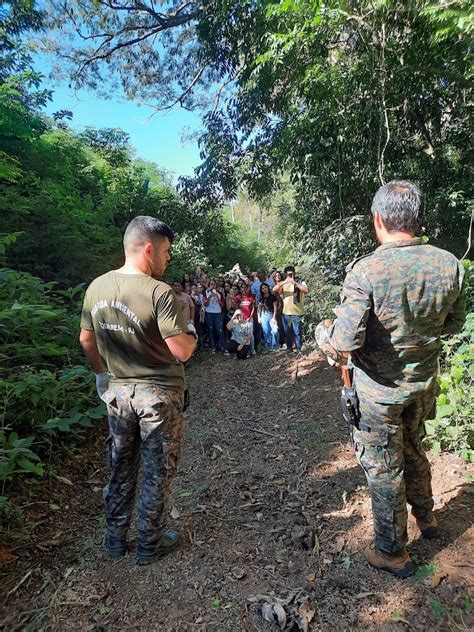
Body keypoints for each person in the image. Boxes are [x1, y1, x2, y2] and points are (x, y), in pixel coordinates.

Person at [315, 180, 465, 578]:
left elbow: (344, 342)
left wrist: (321, 333)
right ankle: (428, 520)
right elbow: (454, 323)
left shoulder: (367, 270)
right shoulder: (448, 264)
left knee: (384, 468)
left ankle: (392, 553)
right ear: (416, 218)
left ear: (378, 219)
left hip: (377, 394)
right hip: (422, 384)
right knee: (415, 449)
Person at [79, 216, 197, 566]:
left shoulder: (96, 288)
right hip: (158, 395)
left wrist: (102, 374)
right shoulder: (159, 292)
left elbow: (86, 340)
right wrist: (189, 328)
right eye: (166, 251)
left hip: (118, 395)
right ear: (149, 249)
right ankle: (149, 542)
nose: (168, 258)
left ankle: (115, 538)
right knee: (157, 468)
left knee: (120, 465)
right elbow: (182, 350)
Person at [273, 266, 309, 353]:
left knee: (297, 332)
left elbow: (306, 290)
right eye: (288, 274)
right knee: (288, 331)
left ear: (294, 273)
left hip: (297, 312)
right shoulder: (284, 283)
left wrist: (295, 283)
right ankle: (289, 348)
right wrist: (285, 282)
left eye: (291, 274)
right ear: (285, 274)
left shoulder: (300, 281)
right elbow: (274, 289)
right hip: (286, 313)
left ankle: (299, 348)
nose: (290, 275)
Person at [203, 278, 226, 353]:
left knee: (220, 330)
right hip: (209, 313)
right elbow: (205, 304)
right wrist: (209, 297)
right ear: (209, 285)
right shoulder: (206, 292)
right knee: (211, 330)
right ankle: (213, 347)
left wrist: (217, 297)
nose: (213, 286)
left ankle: (223, 347)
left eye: (214, 284)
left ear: (216, 285)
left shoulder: (220, 293)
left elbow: (222, 305)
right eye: (211, 284)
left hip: (217, 313)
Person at [258, 282, 279, 350]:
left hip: (271, 314)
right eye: (262, 288)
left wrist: (274, 317)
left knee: (274, 330)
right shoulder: (261, 298)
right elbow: (259, 308)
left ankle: (275, 346)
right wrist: (259, 317)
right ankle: (268, 347)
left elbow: (275, 308)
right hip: (264, 315)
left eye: (265, 287)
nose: (264, 289)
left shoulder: (272, 297)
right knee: (266, 332)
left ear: (268, 288)